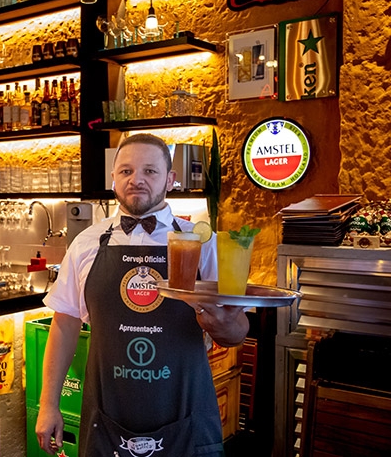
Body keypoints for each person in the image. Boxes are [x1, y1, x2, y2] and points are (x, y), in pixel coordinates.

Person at [35, 133, 248, 457]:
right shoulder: (87, 243)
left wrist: (223, 327)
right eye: (126, 171)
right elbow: (65, 324)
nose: (136, 180)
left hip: (186, 416)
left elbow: (238, 331)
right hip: (105, 418)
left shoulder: (201, 243)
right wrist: (48, 404)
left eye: (150, 171)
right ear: (113, 179)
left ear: (170, 180)